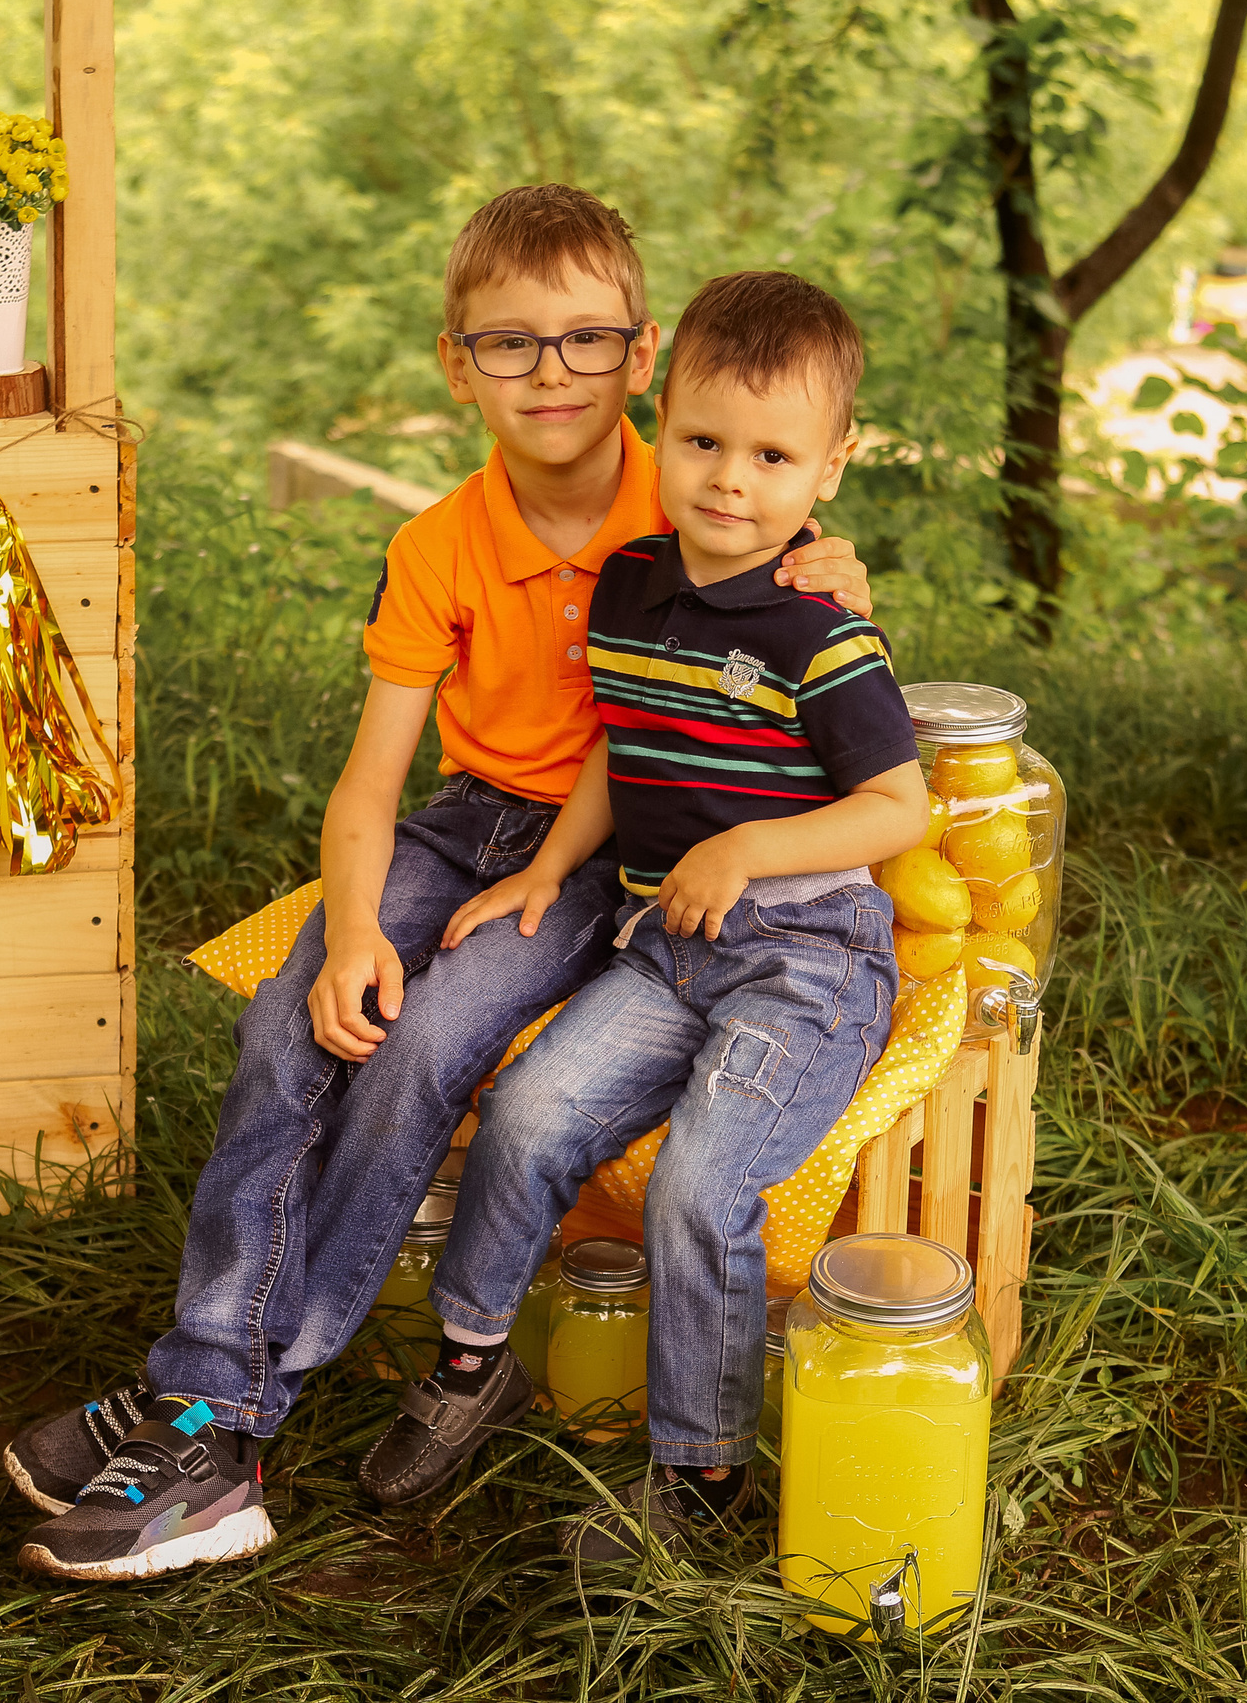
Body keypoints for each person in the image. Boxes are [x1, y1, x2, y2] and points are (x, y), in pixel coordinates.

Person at [9, 187, 874, 1582]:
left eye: (586, 340)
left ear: (643, 357)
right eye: (509, 343)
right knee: (292, 1022)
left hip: (601, 856)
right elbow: (370, 785)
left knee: (418, 1046)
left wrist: (840, 573)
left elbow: (801, 616)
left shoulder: (699, 485)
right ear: (455, 363)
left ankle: (221, 1414)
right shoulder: (439, 544)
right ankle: (207, 1385)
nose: (551, 373)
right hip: (463, 821)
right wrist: (355, 926)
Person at [354, 270, 926, 1559]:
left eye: (773, 457)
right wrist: (548, 870)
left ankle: (701, 1475)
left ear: (829, 468)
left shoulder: (826, 633)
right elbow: (623, 748)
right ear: (659, 424)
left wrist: (747, 850)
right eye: (705, 441)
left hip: (808, 960)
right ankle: (473, 1362)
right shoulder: (629, 588)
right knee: (527, 1114)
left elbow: (899, 809)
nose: (730, 481)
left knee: (697, 1184)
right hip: (667, 948)